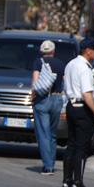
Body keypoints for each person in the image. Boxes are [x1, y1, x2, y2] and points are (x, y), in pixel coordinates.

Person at [62, 38, 94, 187]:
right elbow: (87, 94)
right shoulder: (85, 68)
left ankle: (66, 181)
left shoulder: (70, 64)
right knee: (82, 146)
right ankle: (77, 182)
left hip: (71, 106)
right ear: (88, 51)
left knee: (72, 144)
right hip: (82, 108)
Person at [31, 40, 66, 175]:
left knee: (43, 134)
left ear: (41, 51)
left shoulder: (38, 62)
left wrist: (32, 98)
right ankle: (50, 162)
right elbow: (64, 82)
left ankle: (48, 166)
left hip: (43, 100)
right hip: (57, 99)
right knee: (52, 134)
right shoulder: (61, 64)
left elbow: (35, 83)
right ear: (53, 51)